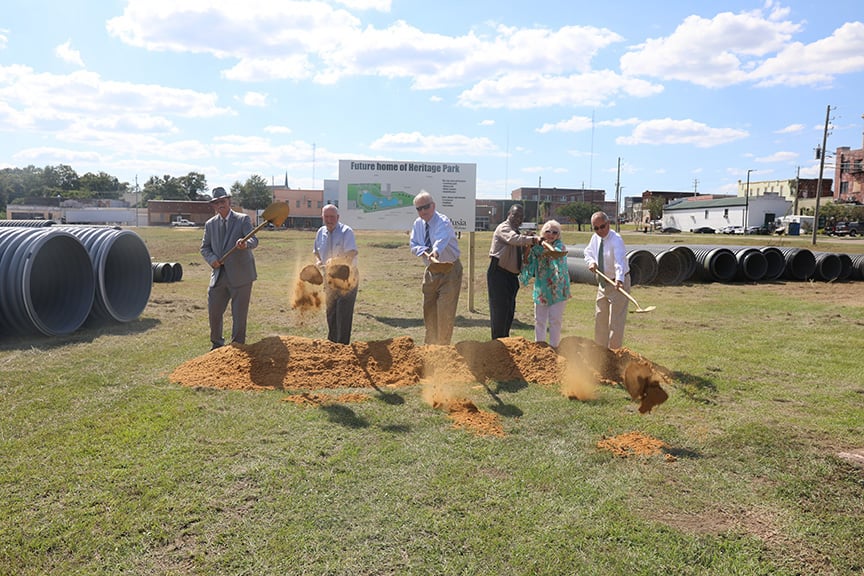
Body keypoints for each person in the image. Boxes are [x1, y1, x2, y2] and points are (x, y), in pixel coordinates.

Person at [200, 186, 258, 349]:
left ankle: (238, 347)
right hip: (219, 275)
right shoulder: (210, 224)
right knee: (214, 312)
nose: (220, 204)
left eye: (223, 201)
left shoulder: (243, 219)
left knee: (239, 315)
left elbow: (254, 241)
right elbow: (205, 247)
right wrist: (212, 260)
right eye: (217, 202)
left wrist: (245, 244)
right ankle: (216, 344)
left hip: (241, 276)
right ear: (213, 205)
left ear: (229, 201)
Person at [409, 190, 463, 345]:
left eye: (426, 207)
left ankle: (443, 349)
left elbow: (441, 239)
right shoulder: (417, 224)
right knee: (429, 310)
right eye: (419, 209)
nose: (423, 211)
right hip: (432, 271)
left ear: (433, 206)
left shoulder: (442, 221)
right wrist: (424, 251)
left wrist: (435, 252)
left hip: (449, 269)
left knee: (445, 312)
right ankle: (430, 348)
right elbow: (413, 245)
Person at [487, 204, 539, 339]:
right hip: (499, 274)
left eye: (521, 216)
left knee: (508, 311)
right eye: (515, 215)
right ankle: (497, 343)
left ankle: (505, 340)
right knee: (499, 311)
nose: (517, 218)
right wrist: (533, 240)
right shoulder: (504, 228)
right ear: (508, 214)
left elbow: (520, 248)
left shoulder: (517, 231)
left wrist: (528, 245)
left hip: (511, 277)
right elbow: (513, 240)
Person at [519, 219, 571, 348]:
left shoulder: (560, 247)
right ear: (543, 232)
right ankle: (539, 346)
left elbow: (554, 254)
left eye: (555, 232)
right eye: (548, 231)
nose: (551, 234)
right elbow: (527, 261)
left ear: (558, 235)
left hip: (558, 289)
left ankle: (554, 347)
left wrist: (542, 243)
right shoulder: (537, 247)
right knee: (539, 320)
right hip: (541, 288)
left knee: (555, 320)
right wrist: (529, 245)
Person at [584, 211, 630, 349]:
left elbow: (619, 261)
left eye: (602, 227)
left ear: (608, 224)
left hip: (618, 283)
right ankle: (600, 353)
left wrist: (619, 279)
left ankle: (614, 356)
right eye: (596, 228)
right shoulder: (595, 238)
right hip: (603, 283)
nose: (600, 231)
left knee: (615, 322)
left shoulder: (616, 239)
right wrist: (591, 262)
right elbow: (588, 252)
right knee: (600, 318)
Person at [313, 204, 359, 344]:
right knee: (331, 312)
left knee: (343, 314)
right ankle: (331, 345)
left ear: (338, 217)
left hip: (347, 277)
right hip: (329, 278)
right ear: (322, 217)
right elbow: (316, 252)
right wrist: (318, 262)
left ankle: (343, 347)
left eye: (332, 217)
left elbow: (351, 253)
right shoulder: (320, 232)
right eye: (326, 217)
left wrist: (335, 261)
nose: (329, 220)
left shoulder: (346, 231)